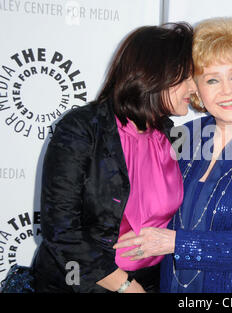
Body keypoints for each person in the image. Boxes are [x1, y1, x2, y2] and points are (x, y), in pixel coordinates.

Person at [113, 17, 232, 293]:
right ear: (196, 89)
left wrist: (175, 243)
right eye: (212, 79)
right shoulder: (182, 137)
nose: (226, 90)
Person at [32, 23, 197, 293]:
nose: (194, 86)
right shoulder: (82, 129)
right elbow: (61, 231)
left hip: (152, 282)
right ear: (154, 73)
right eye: (186, 76)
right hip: (83, 286)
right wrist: (126, 286)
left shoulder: (171, 135)